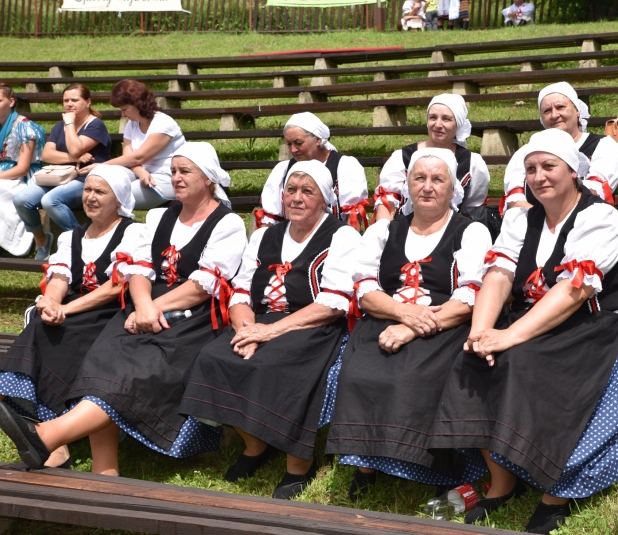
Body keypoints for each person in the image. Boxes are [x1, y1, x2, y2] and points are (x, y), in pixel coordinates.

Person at [429, 128, 618, 534]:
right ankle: (502, 482)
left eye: (549, 167)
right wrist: (481, 332)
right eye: (531, 169)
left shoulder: (600, 217)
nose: (540, 176)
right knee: (469, 361)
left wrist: (509, 336)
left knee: (523, 363)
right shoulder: (523, 219)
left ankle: (555, 489)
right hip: (536, 319)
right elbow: (498, 276)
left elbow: (573, 292)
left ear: (573, 171)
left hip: (593, 325)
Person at [0, 142, 247, 476]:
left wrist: (152, 308)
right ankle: (102, 466)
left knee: (133, 367)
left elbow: (201, 287)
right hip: (143, 306)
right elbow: (138, 271)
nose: (175, 177)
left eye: (184, 171)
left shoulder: (227, 223)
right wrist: (143, 305)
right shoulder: (159, 216)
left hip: (194, 318)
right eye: (173, 171)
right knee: (102, 358)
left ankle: (47, 436)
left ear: (208, 178)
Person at [180, 160, 360, 499]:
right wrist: (246, 330)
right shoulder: (264, 235)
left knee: (280, 367)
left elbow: (334, 301)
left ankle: (298, 464)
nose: (297, 198)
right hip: (258, 321)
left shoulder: (341, 235)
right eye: (291, 190)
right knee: (212, 357)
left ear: (324, 199)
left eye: (308, 191)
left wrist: (270, 333)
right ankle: (256, 443)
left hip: (313, 324)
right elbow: (242, 292)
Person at [326, 148, 492, 500]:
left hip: (444, 323)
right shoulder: (385, 230)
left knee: (415, 376)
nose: (428, 187)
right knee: (359, 372)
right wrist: (402, 314)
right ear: (407, 185)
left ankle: (432, 468)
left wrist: (413, 326)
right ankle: (365, 463)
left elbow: (470, 297)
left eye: (437, 179)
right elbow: (366, 290)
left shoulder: (471, 231)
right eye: (419, 178)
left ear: (452, 190)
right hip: (387, 317)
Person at [0, 165, 138, 469]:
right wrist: (51, 302)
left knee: (72, 339)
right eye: (87, 190)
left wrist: (65, 310)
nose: (90, 197)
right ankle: (56, 446)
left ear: (119, 199)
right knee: (38, 328)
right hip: (76, 310)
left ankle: (83, 449)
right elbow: (60, 278)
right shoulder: (73, 236)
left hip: (113, 313)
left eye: (99, 192)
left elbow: (117, 286)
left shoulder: (133, 232)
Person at [13, 84, 112, 261]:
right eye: (66, 100)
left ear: (88, 102)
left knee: (51, 201)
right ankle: (42, 241)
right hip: (58, 176)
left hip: (86, 178)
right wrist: (75, 158)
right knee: (22, 199)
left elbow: (75, 148)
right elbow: (47, 154)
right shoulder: (60, 126)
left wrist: (69, 123)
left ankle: (81, 243)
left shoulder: (95, 126)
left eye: (75, 100)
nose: (69, 104)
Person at [502, 81, 618, 214]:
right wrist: (542, 220)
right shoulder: (526, 152)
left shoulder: (604, 146)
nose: (554, 115)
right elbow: (514, 200)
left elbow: (596, 190)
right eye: (547, 111)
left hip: (587, 222)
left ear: (577, 111)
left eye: (560, 107)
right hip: (532, 225)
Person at [374, 94, 489, 221]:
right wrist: (384, 236)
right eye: (433, 117)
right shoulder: (402, 157)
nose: (438, 124)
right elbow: (386, 206)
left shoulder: (471, 163)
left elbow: (474, 212)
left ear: (458, 124)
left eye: (446, 119)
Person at [80, 79, 185, 210]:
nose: (123, 114)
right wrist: (140, 171)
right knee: (105, 177)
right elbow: (128, 157)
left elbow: (139, 157)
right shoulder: (132, 124)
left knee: (115, 198)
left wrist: (101, 165)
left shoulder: (163, 123)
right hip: (139, 171)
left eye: (124, 109)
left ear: (138, 103)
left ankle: (124, 229)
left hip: (168, 177)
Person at [258, 112, 368, 231]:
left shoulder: (344, 166)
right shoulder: (283, 170)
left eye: (298, 143)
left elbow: (353, 221)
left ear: (318, 139)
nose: (293, 150)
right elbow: (269, 222)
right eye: (289, 144)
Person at [0, 83, 45, 257]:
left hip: (22, 177)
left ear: (11, 102)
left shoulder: (24, 127)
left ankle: (15, 242)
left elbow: (22, 167)